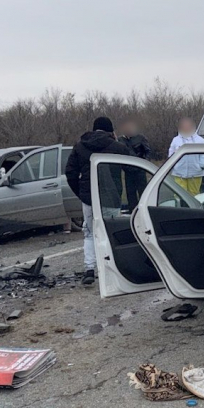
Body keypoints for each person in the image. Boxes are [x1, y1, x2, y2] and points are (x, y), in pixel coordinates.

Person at [65, 117, 131, 285]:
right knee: (109, 233)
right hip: (111, 198)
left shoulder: (80, 146)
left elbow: (70, 173)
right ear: (111, 131)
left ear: (94, 130)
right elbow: (132, 169)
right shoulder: (117, 147)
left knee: (89, 233)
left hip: (89, 199)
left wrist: (82, 194)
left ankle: (89, 270)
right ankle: (111, 271)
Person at [117, 120, 151, 210]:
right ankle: (132, 211)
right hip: (128, 171)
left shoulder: (141, 138)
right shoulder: (120, 140)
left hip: (140, 170)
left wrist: (144, 164)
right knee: (130, 193)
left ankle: (145, 210)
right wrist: (124, 167)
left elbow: (147, 152)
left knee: (143, 192)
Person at [167, 118, 204, 195]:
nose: (186, 128)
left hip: (195, 172)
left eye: (188, 126)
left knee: (194, 194)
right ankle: (180, 207)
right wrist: (173, 166)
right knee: (179, 194)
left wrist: (201, 165)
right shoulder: (176, 140)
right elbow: (171, 154)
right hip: (179, 173)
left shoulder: (200, 140)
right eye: (184, 126)